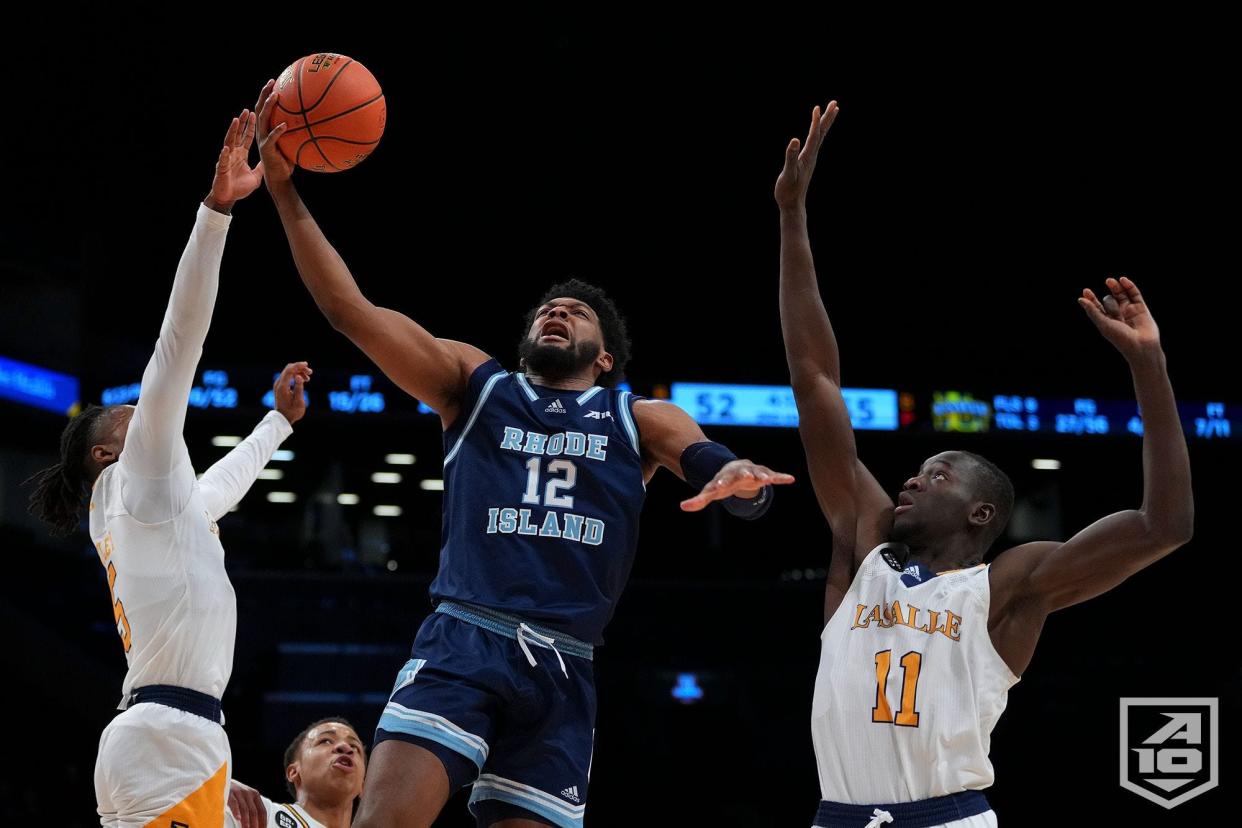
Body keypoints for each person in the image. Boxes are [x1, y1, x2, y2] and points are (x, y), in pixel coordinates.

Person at [252, 78, 795, 828]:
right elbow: (350, 310)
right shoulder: (474, 386)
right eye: (548, 307)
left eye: (578, 313)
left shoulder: (636, 416)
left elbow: (701, 455)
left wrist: (735, 476)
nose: (558, 310)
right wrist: (284, 191)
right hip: (464, 641)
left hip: (566, 668)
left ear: (605, 358)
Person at [775, 101, 1194, 828]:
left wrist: (1150, 368)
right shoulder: (865, 545)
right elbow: (815, 379)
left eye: (938, 474)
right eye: (918, 469)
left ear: (982, 512)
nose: (910, 478)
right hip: (836, 816)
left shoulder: (1006, 588)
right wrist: (791, 216)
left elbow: (1164, 526)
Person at [25, 108, 312, 827]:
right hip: (167, 737)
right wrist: (217, 212)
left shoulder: (155, 505)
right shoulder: (137, 476)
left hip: (170, 736)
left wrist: (278, 421)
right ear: (106, 452)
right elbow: (178, 339)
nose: (146, 416)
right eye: (128, 416)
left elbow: (221, 486)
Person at [227, 718, 367, 828]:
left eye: (355, 747)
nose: (345, 747)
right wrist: (217, 789)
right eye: (325, 741)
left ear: (363, 786)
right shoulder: (254, 814)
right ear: (293, 772)